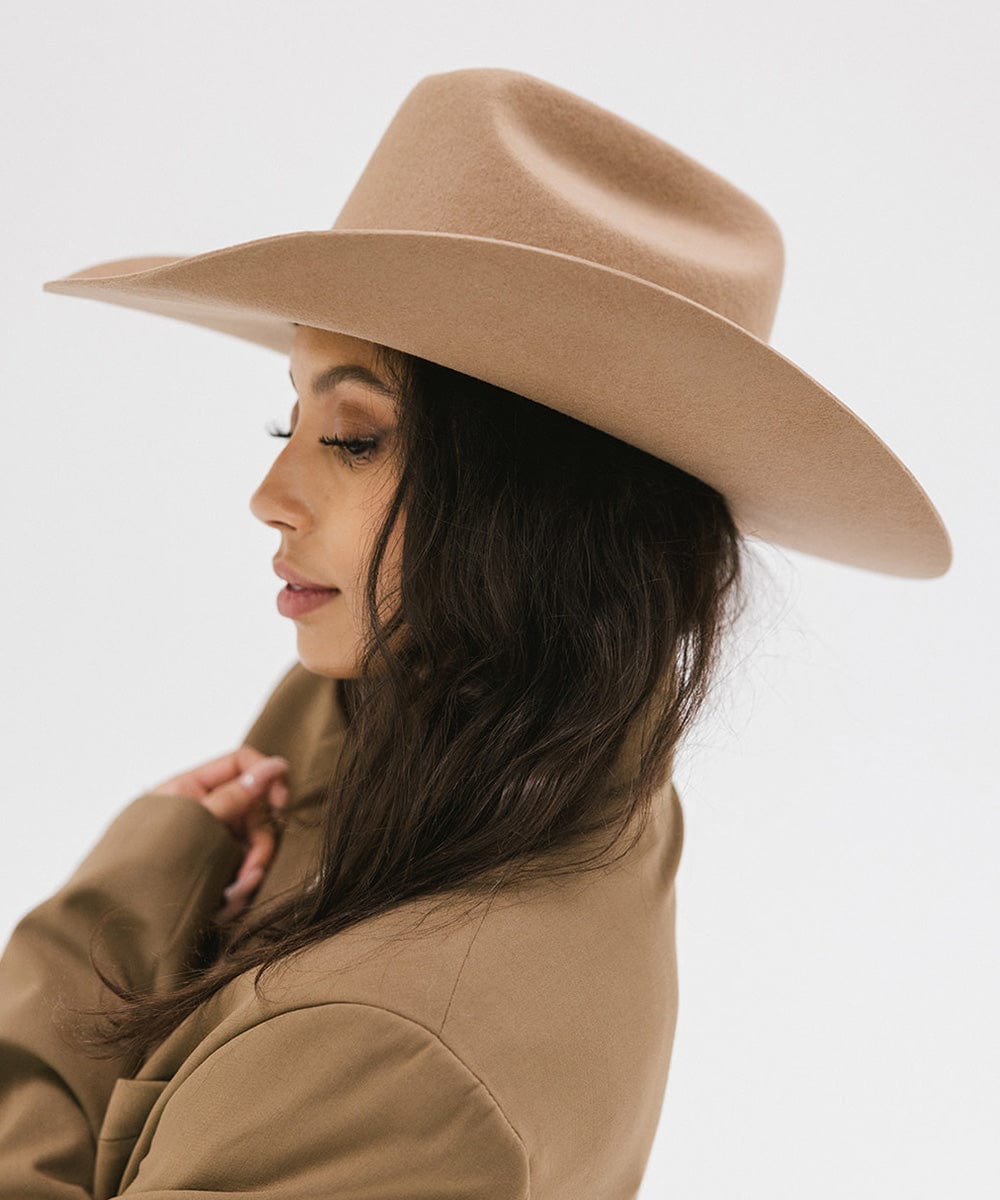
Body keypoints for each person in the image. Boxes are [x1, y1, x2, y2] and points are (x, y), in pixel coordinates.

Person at [0, 67, 951, 1199]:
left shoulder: (384, 1057)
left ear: (539, 506)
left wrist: (101, 925)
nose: (269, 495)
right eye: (286, 417)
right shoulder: (526, 741)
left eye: (353, 437)